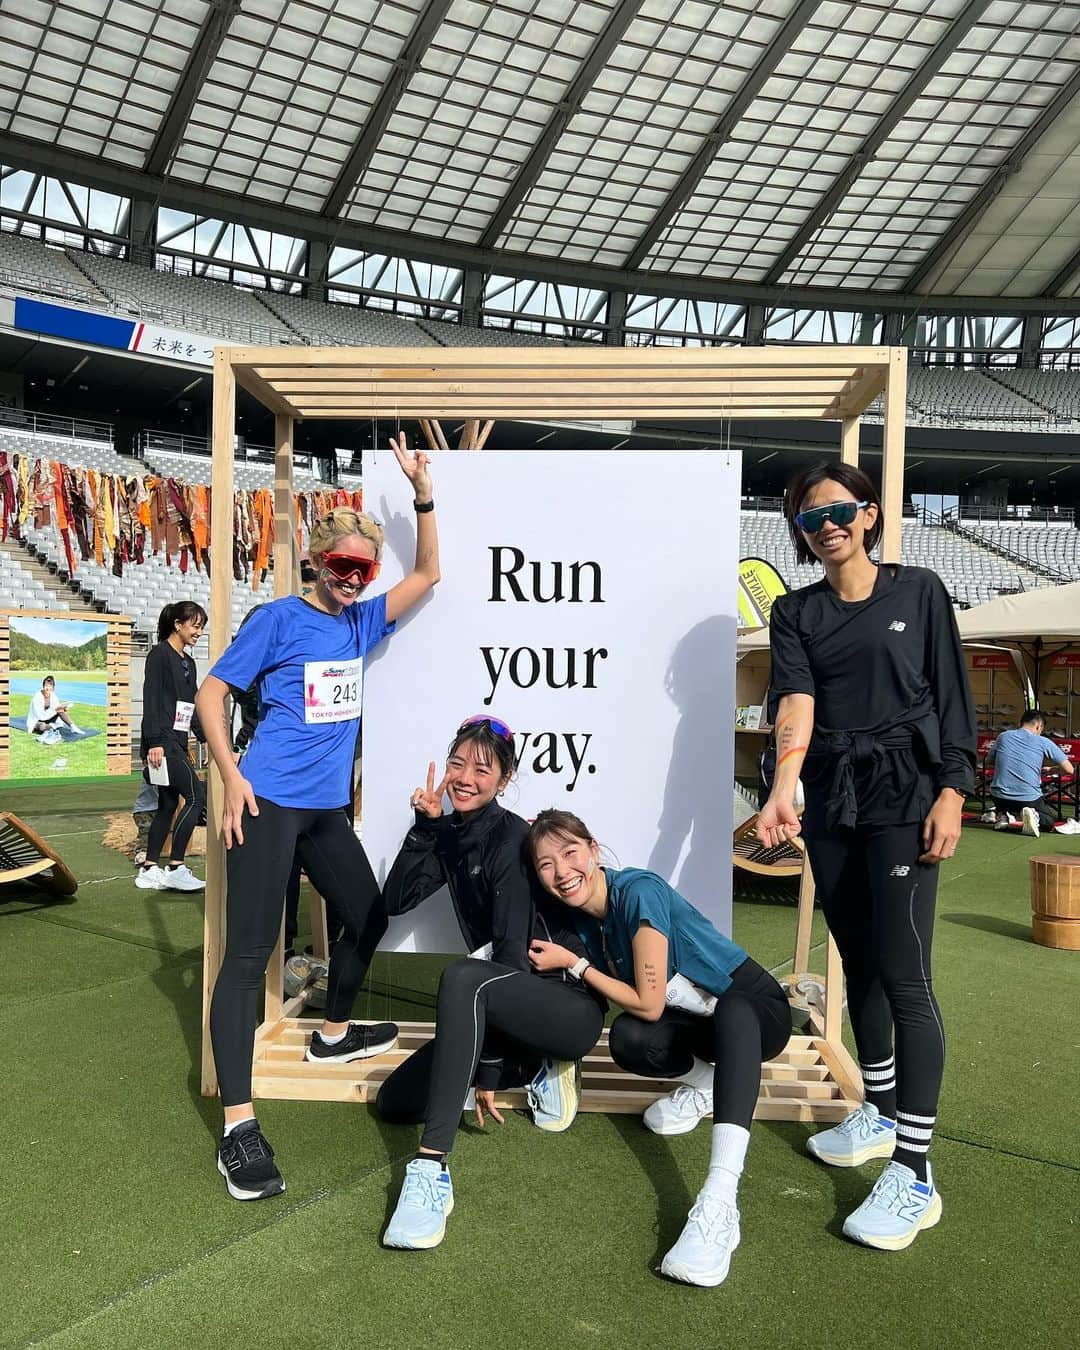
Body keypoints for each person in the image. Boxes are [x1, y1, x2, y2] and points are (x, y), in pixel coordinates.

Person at [196, 434, 439, 1202]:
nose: (352, 582)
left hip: (327, 812)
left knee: (368, 919)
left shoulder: (362, 622)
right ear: (314, 559)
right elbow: (211, 695)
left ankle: (332, 1033)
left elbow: (430, 572)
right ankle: (239, 1127)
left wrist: (422, 491)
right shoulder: (277, 619)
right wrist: (230, 776)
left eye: (364, 572)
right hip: (265, 805)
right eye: (340, 569)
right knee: (247, 957)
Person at [756, 462, 976, 1252]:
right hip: (833, 801)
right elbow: (798, 700)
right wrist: (786, 782)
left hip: (906, 799)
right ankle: (877, 1114)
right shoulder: (796, 611)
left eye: (841, 511)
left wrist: (952, 792)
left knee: (908, 977)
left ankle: (915, 1174)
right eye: (813, 519)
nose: (829, 527)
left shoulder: (919, 592)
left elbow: (953, 696)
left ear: (870, 514)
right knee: (861, 964)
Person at [526, 809, 790, 1287]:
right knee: (628, 1040)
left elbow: (649, 1002)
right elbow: (644, 1019)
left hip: (756, 1014)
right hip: (697, 1023)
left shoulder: (638, 892)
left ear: (594, 849)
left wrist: (576, 965)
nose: (563, 872)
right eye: (546, 865)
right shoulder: (581, 919)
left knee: (726, 1009)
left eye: (570, 853)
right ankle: (709, 1085)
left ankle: (719, 1200)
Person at [379, 717, 606, 1252]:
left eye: (483, 769)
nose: (465, 777)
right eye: (458, 764)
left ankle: (431, 1169)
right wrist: (425, 827)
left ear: (504, 781)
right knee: (394, 1101)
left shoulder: (512, 841)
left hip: (566, 1006)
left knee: (463, 976)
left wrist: (486, 1065)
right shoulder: (452, 832)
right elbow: (394, 902)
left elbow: (510, 958)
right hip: (499, 997)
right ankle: (523, 1065)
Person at [136, 602, 208, 893]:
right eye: (195, 625)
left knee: (167, 805)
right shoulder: (159, 656)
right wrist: (153, 743)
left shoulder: (188, 663)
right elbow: (151, 699)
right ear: (178, 624)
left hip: (177, 741)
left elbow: (190, 706)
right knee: (195, 796)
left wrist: (205, 737)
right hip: (162, 743)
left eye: (202, 626)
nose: (199, 632)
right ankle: (176, 866)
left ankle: (150, 868)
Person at [987, 709, 1075, 837]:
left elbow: (989, 761)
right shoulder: (1043, 741)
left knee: (1007, 802)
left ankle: (1006, 815)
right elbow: (1069, 769)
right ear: (1039, 726)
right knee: (1048, 822)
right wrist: (1052, 770)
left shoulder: (1003, 736)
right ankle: (1032, 815)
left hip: (998, 796)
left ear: (1020, 722)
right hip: (1027, 798)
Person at [26, 675, 85, 741]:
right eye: (46, 686)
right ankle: (53, 726)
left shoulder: (53, 695)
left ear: (53, 687)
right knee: (42, 727)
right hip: (38, 720)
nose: (48, 688)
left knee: (60, 709)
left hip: (48, 718)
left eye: (50, 686)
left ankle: (73, 727)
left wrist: (64, 708)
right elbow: (39, 715)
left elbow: (57, 707)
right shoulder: (37, 696)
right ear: (43, 686)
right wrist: (54, 711)